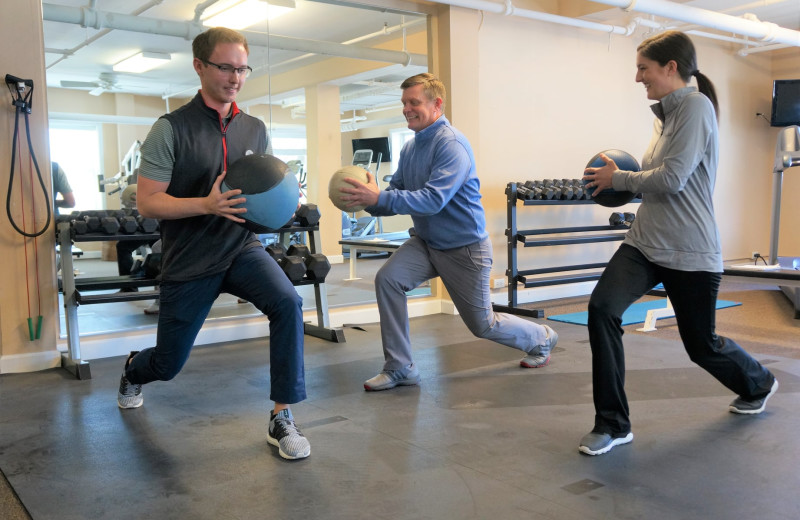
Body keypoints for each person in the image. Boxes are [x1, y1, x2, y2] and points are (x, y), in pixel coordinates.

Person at [579, 30, 778, 456]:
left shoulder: (696, 106)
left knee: (701, 345)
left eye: (643, 68)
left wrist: (621, 180)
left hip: (691, 251)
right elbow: (658, 177)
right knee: (601, 310)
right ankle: (613, 424)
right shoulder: (665, 118)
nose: (638, 78)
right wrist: (621, 179)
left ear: (671, 68)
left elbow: (672, 179)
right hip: (646, 242)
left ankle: (758, 381)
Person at [116, 27, 310, 460]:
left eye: (242, 68)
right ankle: (134, 368)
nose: (236, 77)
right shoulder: (170, 130)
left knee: (288, 303)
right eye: (225, 67)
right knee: (167, 364)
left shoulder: (255, 129)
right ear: (199, 66)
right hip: (191, 258)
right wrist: (207, 204)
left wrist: (287, 200)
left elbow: (265, 191)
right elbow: (148, 204)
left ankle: (282, 417)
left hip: (241, 248)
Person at [339, 73, 559, 392]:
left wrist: (379, 198)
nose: (407, 109)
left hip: (464, 248)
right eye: (404, 103)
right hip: (427, 243)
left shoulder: (451, 144)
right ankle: (400, 366)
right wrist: (369, 199)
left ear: (437, 104)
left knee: (482, 325)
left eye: (414, 102)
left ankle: (542, 338)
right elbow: (397, 190)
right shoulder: (411, 148)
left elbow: (432, 199)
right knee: (388, 279)